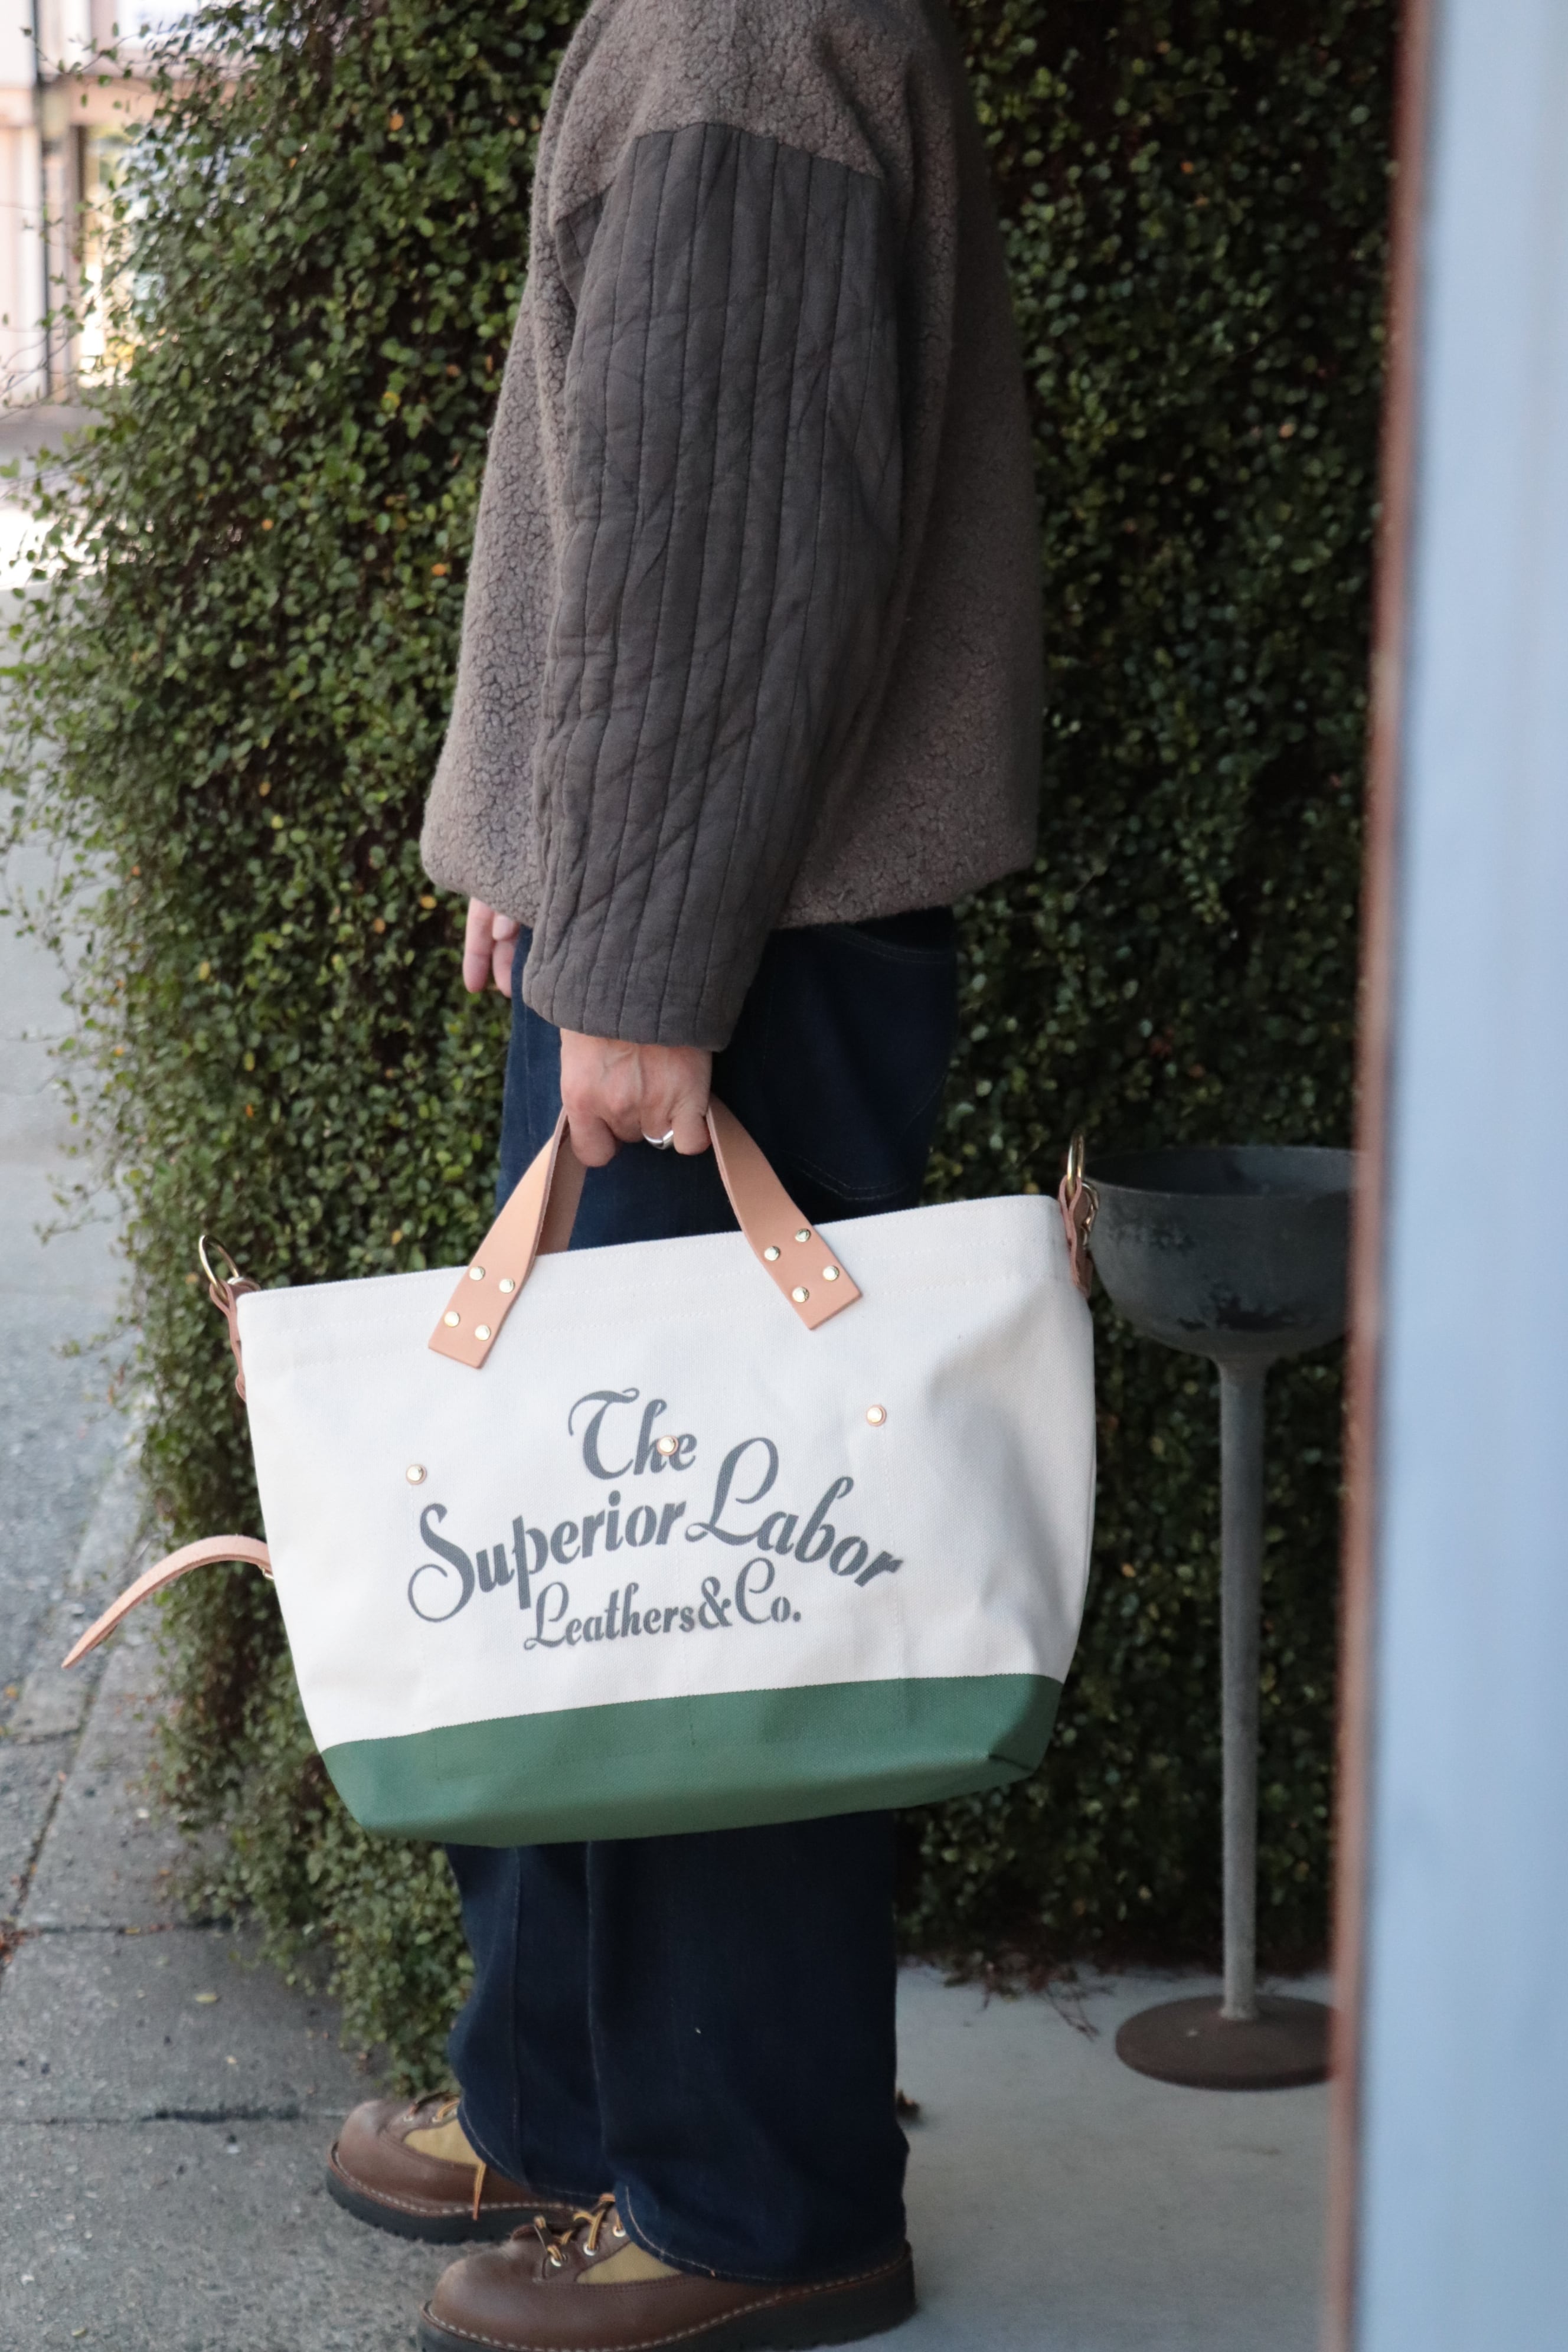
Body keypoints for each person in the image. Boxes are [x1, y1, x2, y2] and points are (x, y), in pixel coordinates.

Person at [327, 0, 1041, 2343]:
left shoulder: (750, 28)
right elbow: (653, 497)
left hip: (740, 945)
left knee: (712, 1576)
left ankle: (757, 2196)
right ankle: (557, 2101)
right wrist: (553, 847)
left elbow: (733, 544)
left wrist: (634, 954)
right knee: (587, 1540)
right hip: (699, 916)